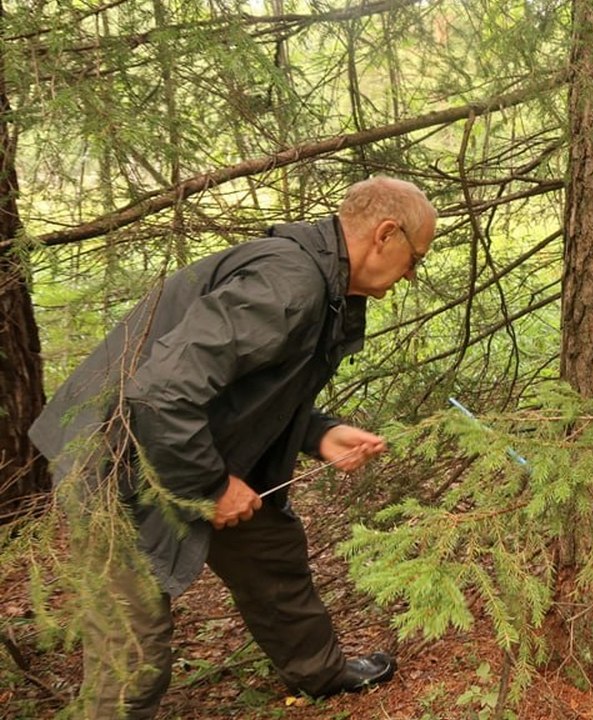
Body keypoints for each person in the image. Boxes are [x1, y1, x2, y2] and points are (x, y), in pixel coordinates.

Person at [29, 176, 437, 718]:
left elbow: (240, 384)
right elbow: (157, 396)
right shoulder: (288, 284)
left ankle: (321, 672)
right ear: (386, 234)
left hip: (188, 443)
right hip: (118, 461)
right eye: (415, 259)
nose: (410, 275)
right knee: (134, 656)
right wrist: (212, 486)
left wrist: (317, 433)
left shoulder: (320, 282)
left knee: (269, 551)